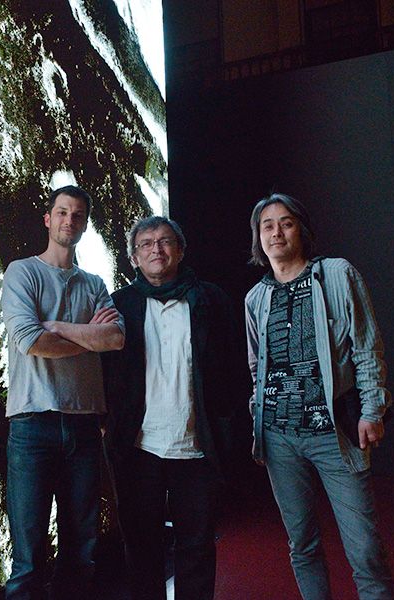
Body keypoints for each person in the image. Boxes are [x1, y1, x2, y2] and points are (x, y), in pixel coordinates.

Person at [244, 193, 394, 600]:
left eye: (286, 222)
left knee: (365, 550)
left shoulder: (336, 274)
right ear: (258, 237)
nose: (276, 232)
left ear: (302, 230)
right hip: (278, 437)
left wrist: (372, 410)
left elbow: (366, 346)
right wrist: (258, 419)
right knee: (302, 545)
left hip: (334, 433)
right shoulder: (255, 298)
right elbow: (257, 368)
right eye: (267, 225)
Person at [102, 216, 245, 600]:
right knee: (142, 547)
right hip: (139, 447)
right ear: (134, 257)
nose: (157, 249)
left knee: (197, 547)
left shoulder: (211, 299)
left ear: (180, 250)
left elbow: (233, 367)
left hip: (196, 446)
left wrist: (228, 424)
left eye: (165, 241)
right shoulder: (119, 305)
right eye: (146, 244)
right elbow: (104, 371)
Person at [1, 184, 125, 599]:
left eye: (77, 215)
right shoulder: (22, 272)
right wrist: (90, 336)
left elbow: (116, 338)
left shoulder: (94, 283)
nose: (69, 220)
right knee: (29, 559)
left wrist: (58, 327)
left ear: (85, 225)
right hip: (32, 426)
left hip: (85, 427)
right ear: (48, 219)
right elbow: (31, 341)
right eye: (62, 212)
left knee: (80, 554)